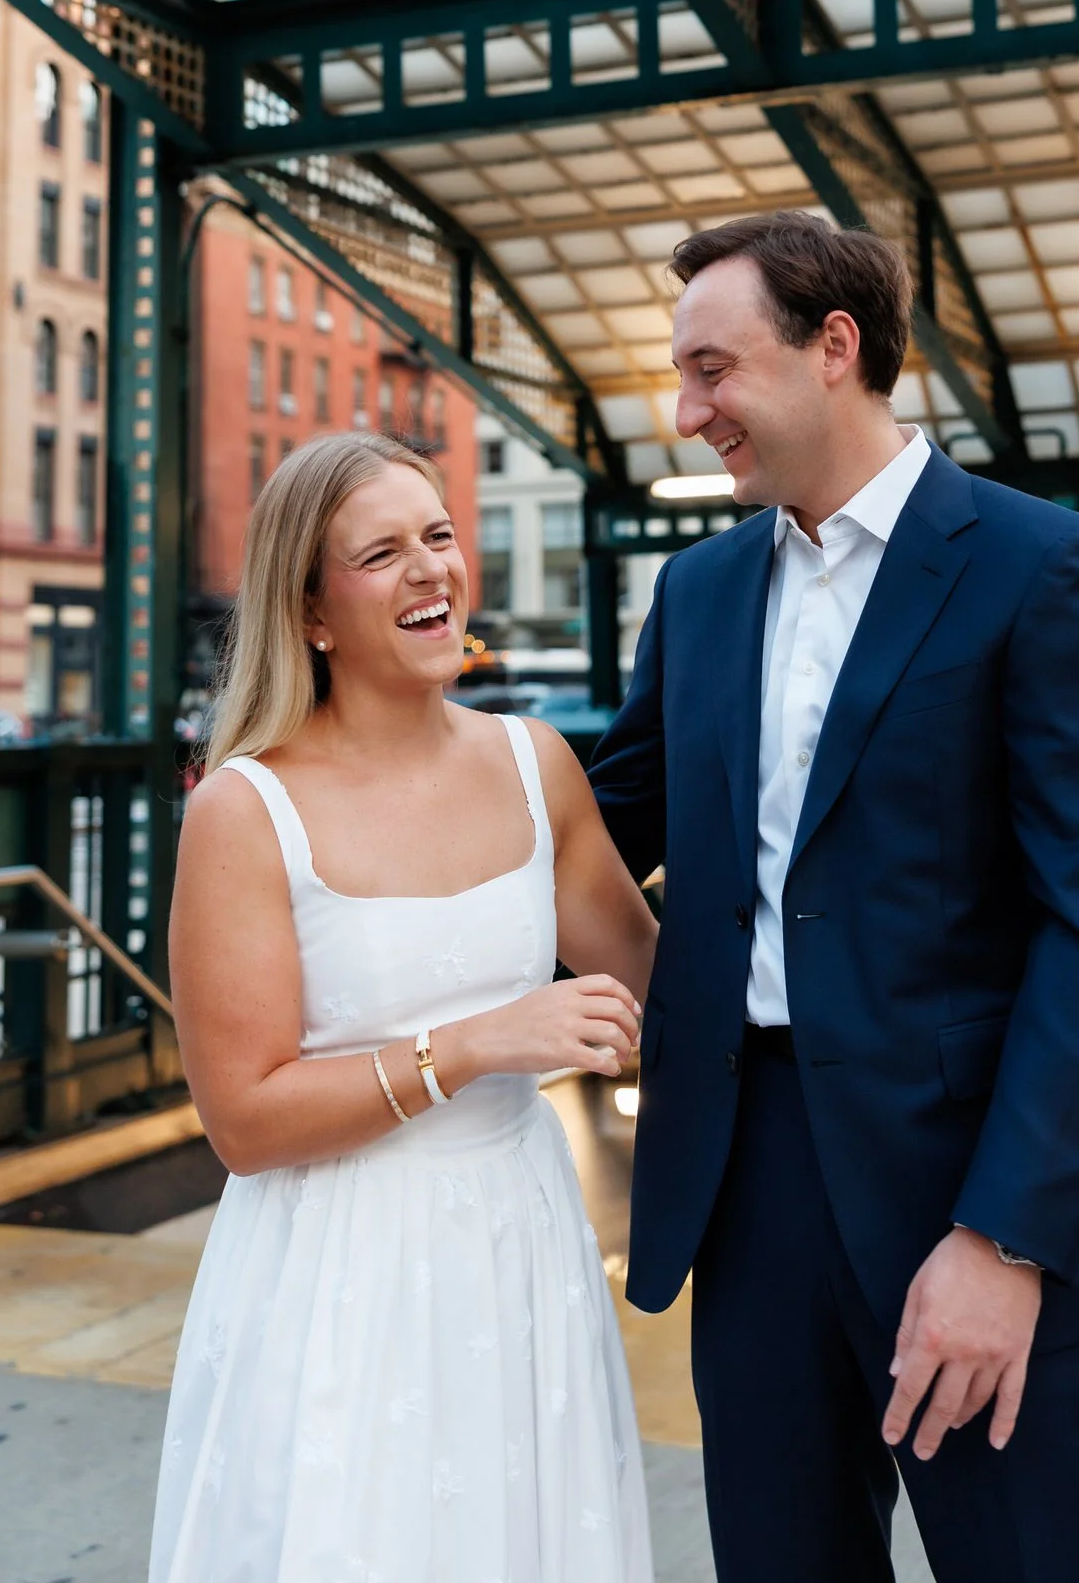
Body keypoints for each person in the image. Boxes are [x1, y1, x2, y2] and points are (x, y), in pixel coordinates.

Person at [591, 212, 1079, 1583]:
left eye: (711, 371)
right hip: (744, 1180)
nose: (686, 415)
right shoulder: (698, 589)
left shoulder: (1041, 565)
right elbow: (594, 821)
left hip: (969, 1179)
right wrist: (346, 792)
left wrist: (1004, 1239)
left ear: (833, 348)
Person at [150, 430, 657, 1583]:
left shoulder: (536, 764)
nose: (431, 568)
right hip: (338, 1263)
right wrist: (476, 1043)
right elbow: (243, 1117)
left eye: (436, 535)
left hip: (520, 1237)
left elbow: (653, 978)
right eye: (381, 553)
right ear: (314, 611)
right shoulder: (245, 808)